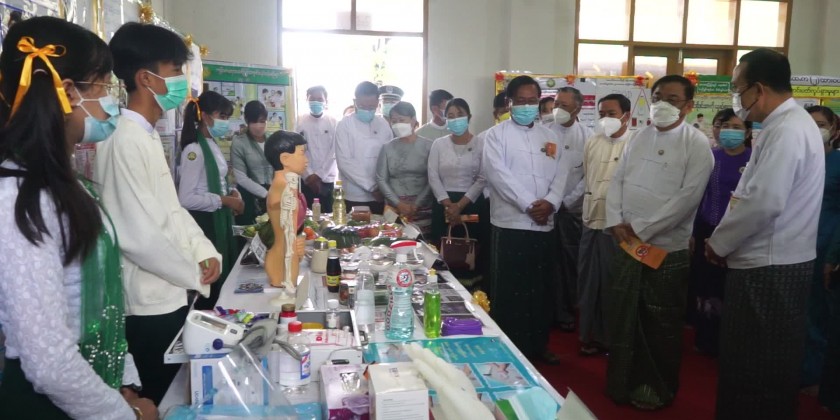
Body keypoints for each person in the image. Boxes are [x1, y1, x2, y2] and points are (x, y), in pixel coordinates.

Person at [0, 16, 157, 419]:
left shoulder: (69, 185)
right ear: (68, 92)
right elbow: (48, 361)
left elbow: (101, 300)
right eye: (103, 86)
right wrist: (126, 415)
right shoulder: (18, 199)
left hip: (95, 390)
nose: (111, 100)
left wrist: (124, 380)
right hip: (50, 406)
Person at [96, 22, 222, 404]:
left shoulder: (146, 135)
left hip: (170, 291)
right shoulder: (122, 139)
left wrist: (204, 250)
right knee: (161, 398)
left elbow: (173, 211)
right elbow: (139, 236)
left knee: (176, 394)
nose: (182, 81)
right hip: (147, 304)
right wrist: (192, 273)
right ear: (145, 78)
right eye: (175, 70)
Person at [705, 49, 824, 420]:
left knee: (755, 366)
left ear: (758, 89)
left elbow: (764, 201)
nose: (737, 99)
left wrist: (719, 243)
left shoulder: (787, 129)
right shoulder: (784, 124)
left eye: (738, 89)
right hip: (772, 259)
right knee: (759, 363)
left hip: (768, 266)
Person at [605, 75, 714, 410]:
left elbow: (687, 199)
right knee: (623, 314)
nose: (662, 104)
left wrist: (640, 228)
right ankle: (620, 383)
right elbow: (618, 180)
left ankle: (654, 389)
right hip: (627, 243)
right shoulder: (639, 136)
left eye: (672, 99)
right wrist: (615, 220)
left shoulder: (696, 144)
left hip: (665, 248)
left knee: (659, 321)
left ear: (689, 106)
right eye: (657, 97)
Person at [483, 75, 564, 364]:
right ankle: (510, 348)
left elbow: (561, 173)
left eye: (532, 101)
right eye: (521, 101)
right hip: (511, 223)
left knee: (540, 288)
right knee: (510, 290)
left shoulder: (550, 136)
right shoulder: (496, 135)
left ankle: (538, 345)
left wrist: (551, 202)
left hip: (544, 223)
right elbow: (498, 175)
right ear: (509, 102)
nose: (527, 106)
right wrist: (530, 205)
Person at [687, 108, 751, 357]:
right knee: (706, 284)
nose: (730, 132)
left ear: (747, 132)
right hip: (707, 227)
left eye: (736, 127)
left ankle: (732, 341)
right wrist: (693, 232)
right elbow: (697, 196)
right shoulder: (710, 157)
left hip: (740, 232)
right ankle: (706, 338)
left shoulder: (754, 159)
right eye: (725, 126)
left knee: (731, 287)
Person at [577, 94, 632, 356]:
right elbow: (588, 178)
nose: (605, 119)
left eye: (611, 114)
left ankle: (612, 340)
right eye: (602, 114)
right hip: (591, 220)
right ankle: (588, 336)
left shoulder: (635, 143)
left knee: (614, 283)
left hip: (618, 226)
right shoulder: (593, 142)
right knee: (588, 282)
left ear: (626, 116)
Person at [178, 91, 243, 309]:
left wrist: (233, 193)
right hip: (205, 223)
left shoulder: (211, 143)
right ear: (205, 116)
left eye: (227, 117)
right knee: (211, 282)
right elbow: (186, 198)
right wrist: (224, 201)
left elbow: (218, 180)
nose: (225, 122)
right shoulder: (194, 150)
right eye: (221, 116)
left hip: (218, 219)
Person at [548, 86, 593, 332]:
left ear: (577, 108)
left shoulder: (588, 137)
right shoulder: (544, 131)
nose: (558, 109)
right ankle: (546, 312)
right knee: (545, 262)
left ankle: (566, 313)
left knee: (568, 264)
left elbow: (589, 177)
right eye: (556, 104)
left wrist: (566, 202)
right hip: (544, 209)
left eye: (564, 105)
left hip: (570, 211)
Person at [802, 106, 840, 390]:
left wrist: (834, 256)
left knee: (819, 313)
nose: (816, 130)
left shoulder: (837, 163)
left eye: (822, 124)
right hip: (795, 244)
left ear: (834, 130)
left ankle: (815, 375)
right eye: (810, 123)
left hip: (826, 245)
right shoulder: (799, 158)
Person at [427, 98, 488, 251]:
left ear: (469, 117)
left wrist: (459, 206)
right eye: (451, 116)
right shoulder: (439, 144)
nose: (455, 119)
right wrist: (449, 206)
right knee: (442, 249)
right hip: (443, 203)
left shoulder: (481, 144)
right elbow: (433, 176)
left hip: (471, 202)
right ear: (446, 119)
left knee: (471, 250)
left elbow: (483, 178)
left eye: (460, 115)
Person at [376, 101, 434, 235]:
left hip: (423, 207)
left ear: (413, 120)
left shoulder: (429, 146)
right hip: (394, 207)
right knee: (393, 242)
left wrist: (417, 204)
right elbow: (381, 179)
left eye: (401, 120)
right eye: (394, 121)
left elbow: (433, 178)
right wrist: (398, 203)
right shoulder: (387, 148)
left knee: (422, 244)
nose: (397, 124)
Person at [335, 81, 392, 215]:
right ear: (355, 102)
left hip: (380, 194)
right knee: (355, 227)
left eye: (371, 107)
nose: (367, 110)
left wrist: (383, 188)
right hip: (354, 194)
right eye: (362, 106)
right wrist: (372, 187)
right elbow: (344, 162)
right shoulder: (344, 125)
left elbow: (390, 156)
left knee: (380, 226)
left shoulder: (383, 124)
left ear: (377, 103)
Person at [231, 101, 274, 226]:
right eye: (254, 122)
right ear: (247, 121)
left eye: (262, 121)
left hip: (273, 195)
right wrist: (266, 194)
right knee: (249, 232)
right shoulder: (239, 142)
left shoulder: (272, 140)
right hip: (248, 197)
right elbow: (241, 178)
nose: (259, 125)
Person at [298, 85, 337, 213]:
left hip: (327, 179)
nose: (316, 102)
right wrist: (309, 175)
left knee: (328, 215)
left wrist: (319, 175)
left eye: (320, 99)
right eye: (312, 99)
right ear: (307, 100)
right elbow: (298, 151)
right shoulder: (300, 121)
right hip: (307, 180)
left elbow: (334, 151)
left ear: (326, 101)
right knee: (307, 216)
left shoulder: (333, 122)